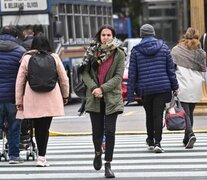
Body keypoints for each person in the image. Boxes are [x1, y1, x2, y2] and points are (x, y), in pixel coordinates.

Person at [15, 33, 69, 167]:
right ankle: (42, 156)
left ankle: (39, 153)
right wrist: (65, 95)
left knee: (36, 127)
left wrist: (19, 101)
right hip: (51, 97)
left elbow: (20, 81)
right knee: (45, 128)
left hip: (32, 98)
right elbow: (64, 79)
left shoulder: (27, 58)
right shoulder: (54, 57)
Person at [82, 24, 125, 178]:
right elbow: (84, 73)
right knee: (97, 133)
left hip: (111, 97)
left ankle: (108, 164)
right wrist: (94, 88)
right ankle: (98, 152)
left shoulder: (119, 53)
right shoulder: (92, 51)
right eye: (103, 35)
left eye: (108, 35)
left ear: (113, 36)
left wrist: (103, 89)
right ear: (99, 37)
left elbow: (118, 76)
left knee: (110, 132)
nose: (106, 37)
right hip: (94, 97)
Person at [127, 24, 179, 153]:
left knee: (149, 115)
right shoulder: (164, 48)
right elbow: (170, 70)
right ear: (153, 33)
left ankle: (150, 140)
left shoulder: (135, 51)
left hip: (145, 89)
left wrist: (130, 94)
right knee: (158, 115)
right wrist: (175, 86)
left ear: (141, 34)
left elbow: (132, 74)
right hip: (162, 87)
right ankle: (158, 142)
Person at [171, 27, 206, 147]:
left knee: (185, 112)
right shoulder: (200, 53)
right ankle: (186, 138)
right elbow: (203, 68)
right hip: (196, 85)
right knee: (190, 112)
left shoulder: (176, 50)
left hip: (182, 84)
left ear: (185, 35)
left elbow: (171, 68)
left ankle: (190, 134)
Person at [0, 25, 26, 164]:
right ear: (16, 37)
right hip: (13, 96)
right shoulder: (20, 51)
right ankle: (13, 156)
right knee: (14, 126)